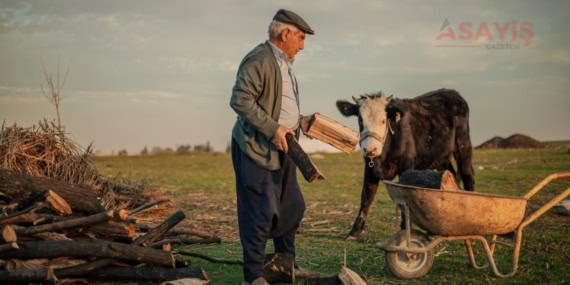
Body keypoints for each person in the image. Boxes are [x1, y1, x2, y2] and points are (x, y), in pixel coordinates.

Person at [229, 8, 315, 285]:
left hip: (285, 146)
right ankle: (253, 277)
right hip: (257, 147)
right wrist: (273, 128)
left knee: (292, 207)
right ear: (285, 33)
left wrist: (299, 121)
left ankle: (283, 265)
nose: (302, 46)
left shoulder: (285, 64)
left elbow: (277, 104)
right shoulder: (260, 58)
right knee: (260, 211)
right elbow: (240, 100)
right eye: (300, 38)